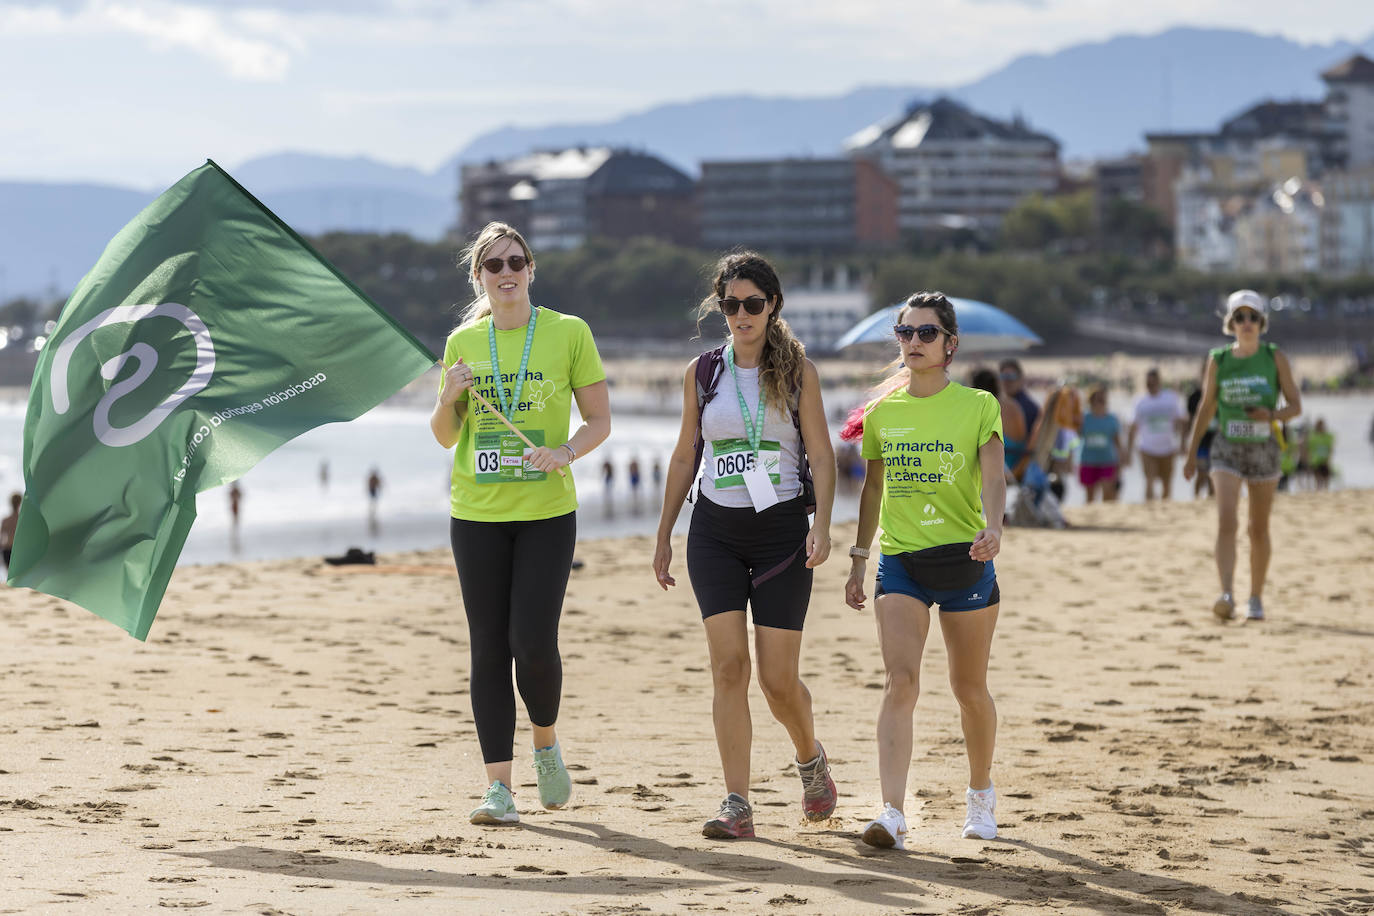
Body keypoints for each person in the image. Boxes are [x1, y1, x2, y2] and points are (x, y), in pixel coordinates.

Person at [430, 221, 611, 825]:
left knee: (531, 643)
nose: (505, 274)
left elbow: (598, 422)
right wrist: (446, 396)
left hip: (546, 514)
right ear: (479, 277)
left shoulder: (568, 333)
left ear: (531, 269)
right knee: (487, 647)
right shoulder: (463, 341)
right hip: (476, 515)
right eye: (493, 266)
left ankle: (545, 742)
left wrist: (564, 453)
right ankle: (498, 789)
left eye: (515, 262)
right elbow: (445, 435)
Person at [653, 251, 838, 840]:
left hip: (781, 533)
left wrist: (824, 525)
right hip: (715, 532)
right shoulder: (703, 372)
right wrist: (663, 534)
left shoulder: (797, 371)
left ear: (773, 306)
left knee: (777, 681)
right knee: (729, 669)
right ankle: (738, 803)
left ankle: (810, 760)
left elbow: (823, 452)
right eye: (730, 305)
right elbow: (687, 453)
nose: (741, 315)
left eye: (752, 304)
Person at [842, 291, 1007, 850]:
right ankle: (892, 810)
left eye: (926, 333)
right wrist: (858, 562)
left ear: (950, 344)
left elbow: (993, 475)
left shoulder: (979, 405)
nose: (913, 342)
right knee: (901, 682)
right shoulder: (884, 414)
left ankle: (980, 795)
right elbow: (872, 491)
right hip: (902, 562)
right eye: (905, 333)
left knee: (968, 687)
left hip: (966, 559)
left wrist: (995, 527)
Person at [1183, 289, 1301, 623]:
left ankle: (1256, 597)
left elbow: (1296, 406)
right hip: (1226, 448)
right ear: (1230, 324)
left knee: (1258, 529)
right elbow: (1206, 408)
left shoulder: (1274, 357)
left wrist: (1271, 415)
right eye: (1239, 317)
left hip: (1264, 448)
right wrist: (1191, 454)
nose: (1246, 323)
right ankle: (1226, 594)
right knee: (1226, 521)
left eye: (1252, 317)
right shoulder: (1218, 359)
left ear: (1262, 323)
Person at [1127, 368, 1187, 501]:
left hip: (1168, 448)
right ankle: (1148, 511)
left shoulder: (1171, 398)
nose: (1150, 385)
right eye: (1148, 383)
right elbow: (1132, 427)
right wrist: (1128, 451)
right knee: (1149, 481)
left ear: (1159, 382)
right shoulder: (1139, 401)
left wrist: (1183, 443)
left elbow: (1182, 421)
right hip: (1147, 448)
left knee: (1167, 483)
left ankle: (1165, 511)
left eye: (1153, 382)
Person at [1078, 386, 1123, 503]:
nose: (1100, 403)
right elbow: (1074, 440)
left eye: (1102, 400)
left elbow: (1117, 441)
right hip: (1088, 461)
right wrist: (1066, 457)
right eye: (1097, 400)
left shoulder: (1112, 419)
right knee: (1090, 497)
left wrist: (1122, 460)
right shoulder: (1084, 419)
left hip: (1107, 461)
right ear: (1091, 401)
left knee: (1108, 494)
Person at [1186, 357, 1217, 498]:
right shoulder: (1194, 396)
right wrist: (1187, 442)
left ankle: (1211, 500)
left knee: (1214, 475)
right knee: (1201, 474)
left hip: (1216, 439)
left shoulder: (1220, 394)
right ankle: (1196, 499)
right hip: (1200, 439)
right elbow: (1190, 420)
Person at [999, 358, 1040, 436]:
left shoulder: (1029, 407)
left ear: (1021, 379)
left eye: (1011, 377)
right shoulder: (998, 403)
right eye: (1003, 377)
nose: (1007, 382)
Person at [1307, 418, 1333, 490]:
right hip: (1316, 460)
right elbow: (1309, 449)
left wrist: (1329, 458)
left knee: (1326, 479)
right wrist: (1309, 459)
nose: (1321, 427)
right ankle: (1318, 491)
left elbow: (1330, 448)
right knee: (1317, 480)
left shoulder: (1328, 436)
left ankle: (1325, 491)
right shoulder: (1313, 436)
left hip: (1325, 459)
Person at [1, 492, 21, 572]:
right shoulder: (22, 520)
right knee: (18, 576)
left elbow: (1, 538)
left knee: (9, 576)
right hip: (19, 549)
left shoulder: (6, 520)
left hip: (7, 549)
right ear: (19, 503)